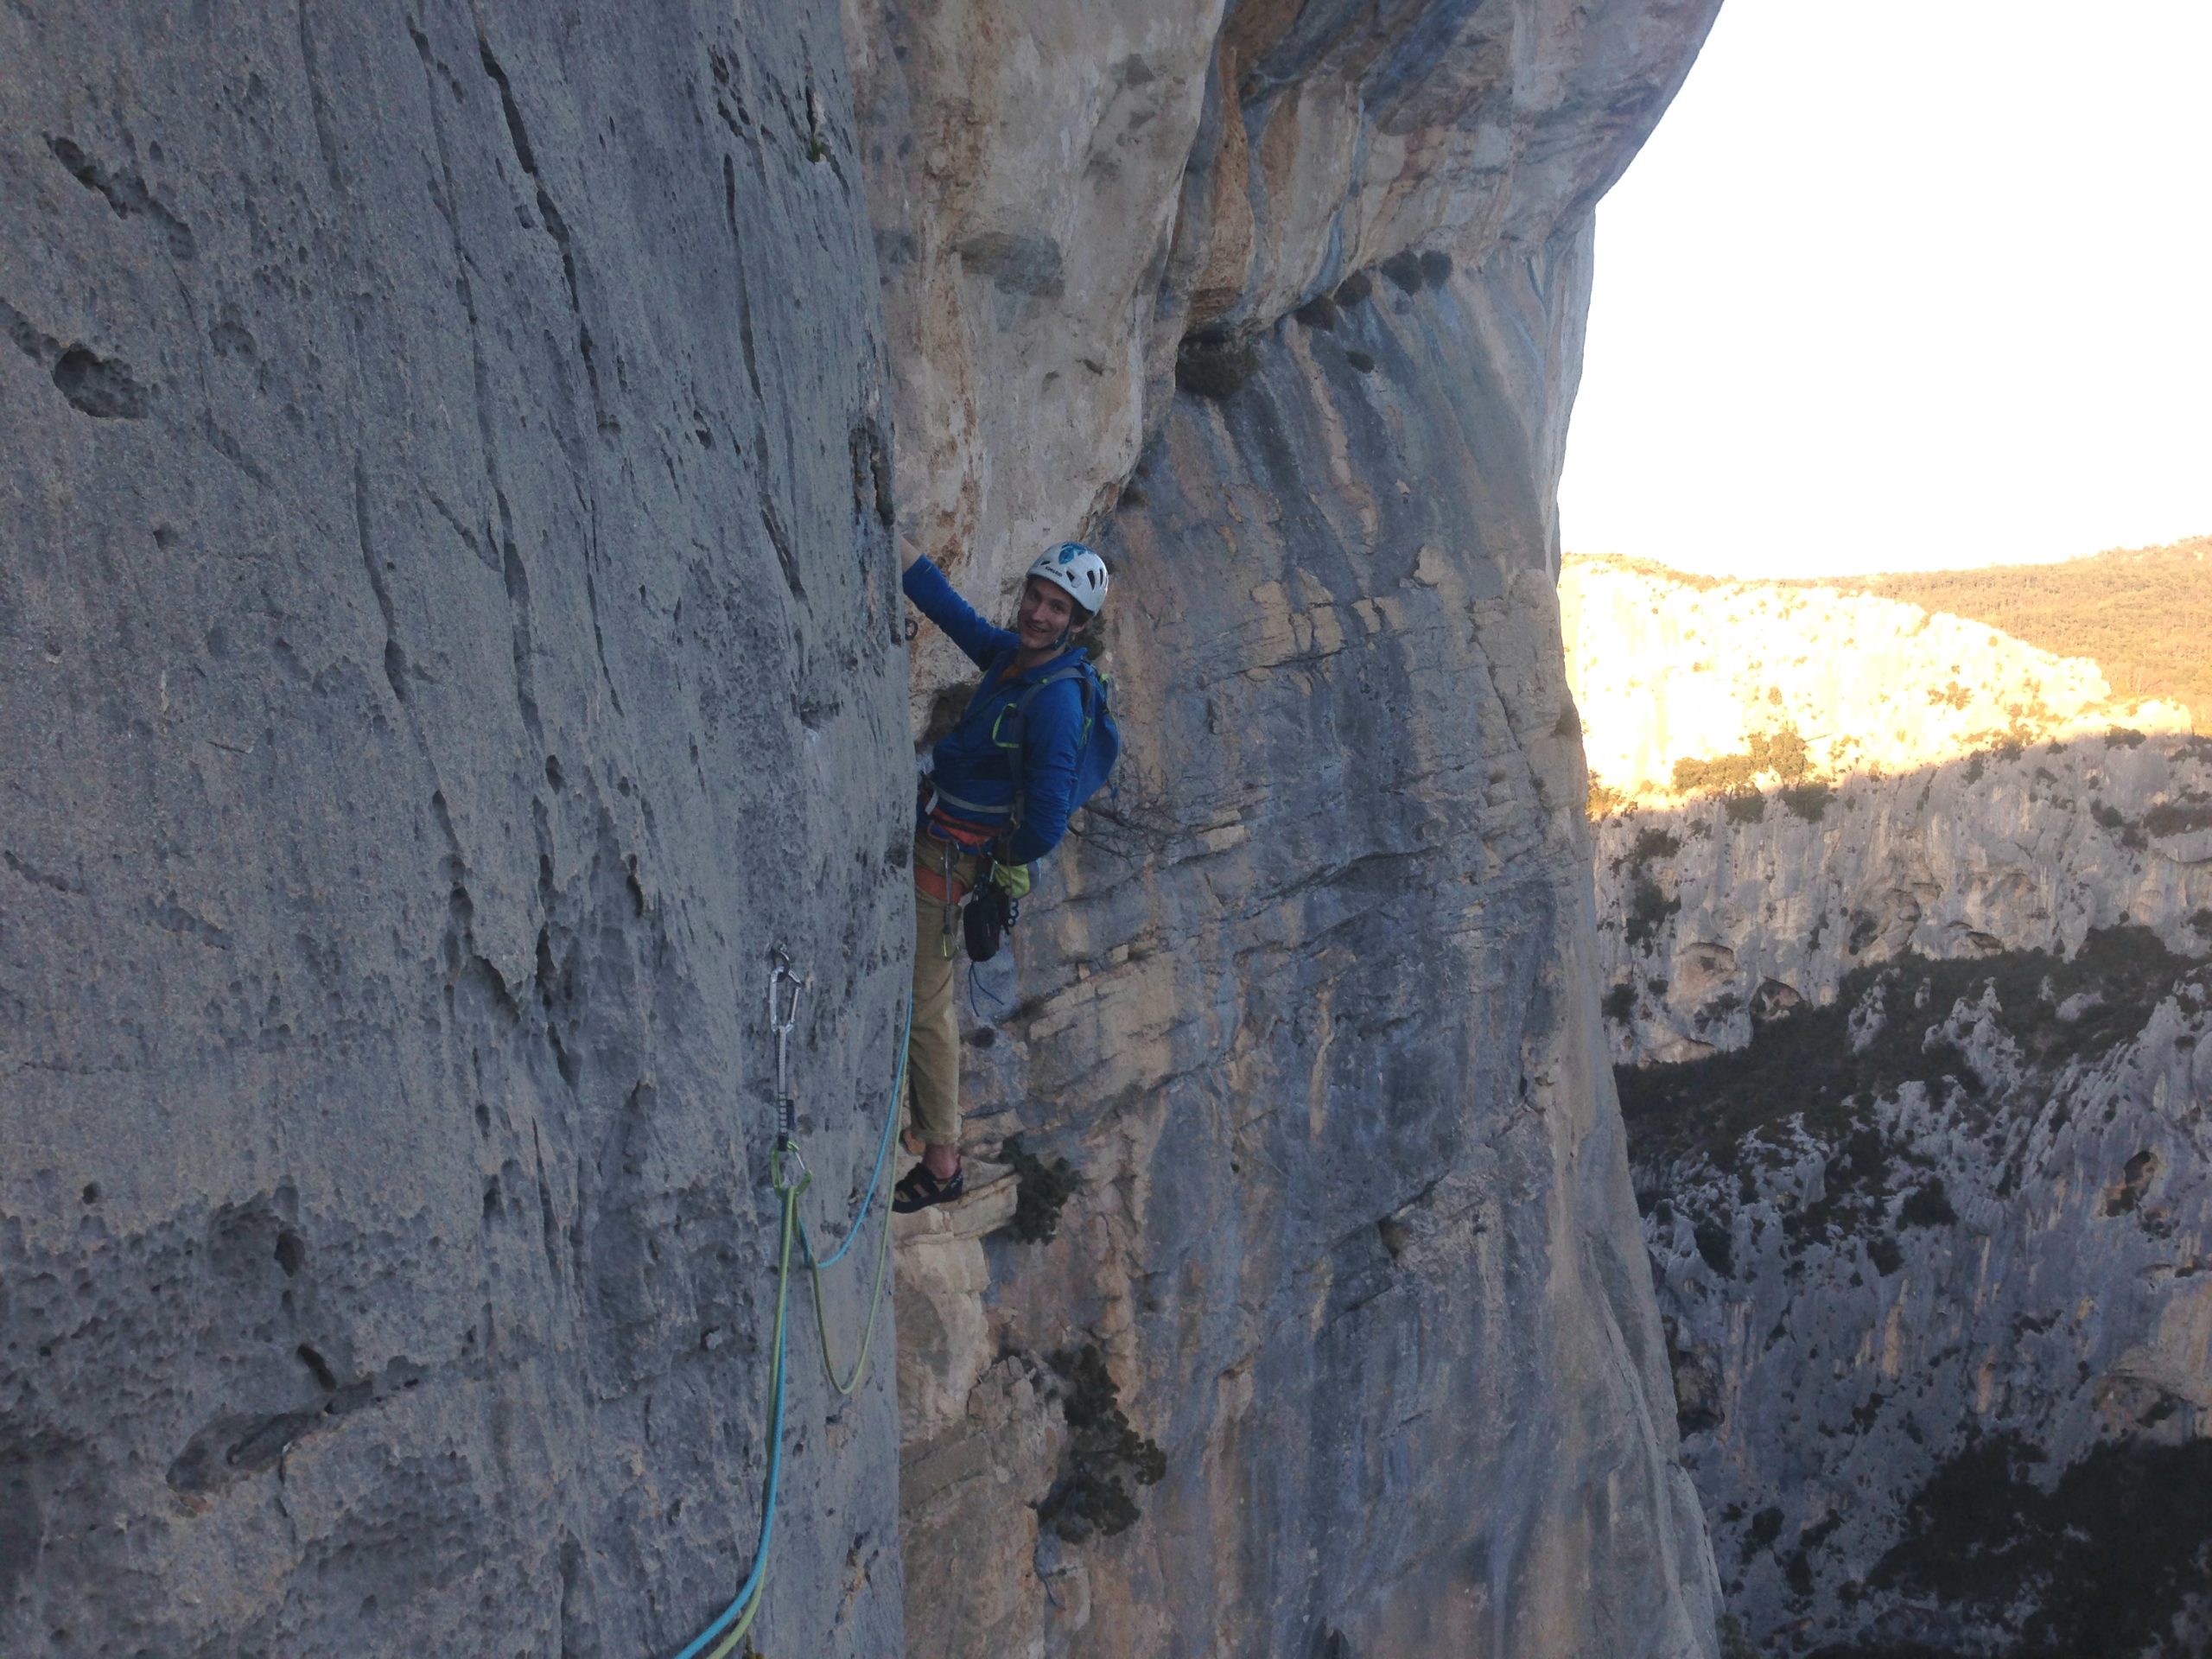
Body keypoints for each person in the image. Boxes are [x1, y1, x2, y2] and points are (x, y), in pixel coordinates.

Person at [893, 534, 1110, 1212]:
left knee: (927, 1004)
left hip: (950, 858)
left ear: (1078, 625)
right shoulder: (1017, 663)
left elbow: (1045, 822)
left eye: (1057, 609)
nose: (1039, 614)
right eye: (1037, 598)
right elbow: (955, 615)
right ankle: (939, 1147)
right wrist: (893, 537)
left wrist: (993, 860)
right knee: (924, 997)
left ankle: (942, 1157)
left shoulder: (1055, 701)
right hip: (941, 841)